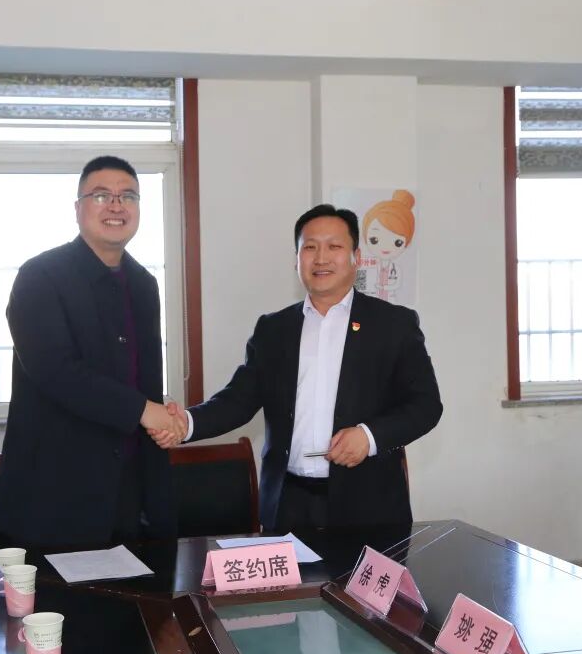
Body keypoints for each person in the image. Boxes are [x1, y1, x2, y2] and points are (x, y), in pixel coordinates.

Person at [154, 204, 441, 532]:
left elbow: (426, 406)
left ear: (356, 257)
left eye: (334, 246)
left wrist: (369, 436)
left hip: (368, 506)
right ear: (297, 259)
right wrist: (185, 423)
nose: (321, 258)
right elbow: (237, 401)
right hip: (287, 504)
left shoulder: (393, 325)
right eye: (310, 247)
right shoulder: (273, 329)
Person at [0, 156, 185, 549]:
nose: (116, 205)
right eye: (101, 195)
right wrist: (144, 410)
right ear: (77, 208)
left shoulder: (144, 285)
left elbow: (142, 380)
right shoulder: (40, 276)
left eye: (128, 196)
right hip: (53, 496)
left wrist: (162, 416)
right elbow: (55, 371)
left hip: (130, 496)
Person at [356, 190, 416, 302]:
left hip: (391, 302)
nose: (385, 247)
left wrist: (384, 288)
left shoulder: (396, 269)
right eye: (374, 240)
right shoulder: (366, 266)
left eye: (397, 242)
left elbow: (396, 284)